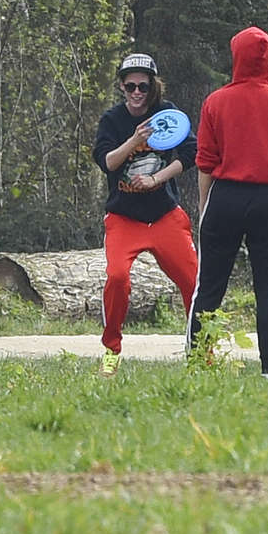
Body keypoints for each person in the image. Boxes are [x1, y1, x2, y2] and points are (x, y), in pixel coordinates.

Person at [188, 26, 268, 376]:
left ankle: (197, 361)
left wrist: (206, 206)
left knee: (209, 285)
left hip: (225, 196)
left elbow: (205, 164)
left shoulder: (216, 101)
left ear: (236, 57)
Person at [91, 52, 200, 377]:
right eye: (130, 86)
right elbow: (107, 162)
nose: (137, 93)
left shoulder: (166, 113)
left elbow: (191, 154)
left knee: (194, 285)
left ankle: (202, 352)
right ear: (122, 87)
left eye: (143, 86)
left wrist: (156, 178)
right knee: (117, 278)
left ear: (153, 86)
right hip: (125, 217)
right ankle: (111, 351)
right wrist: (134, 140)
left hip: (165, 214)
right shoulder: (112, 120)